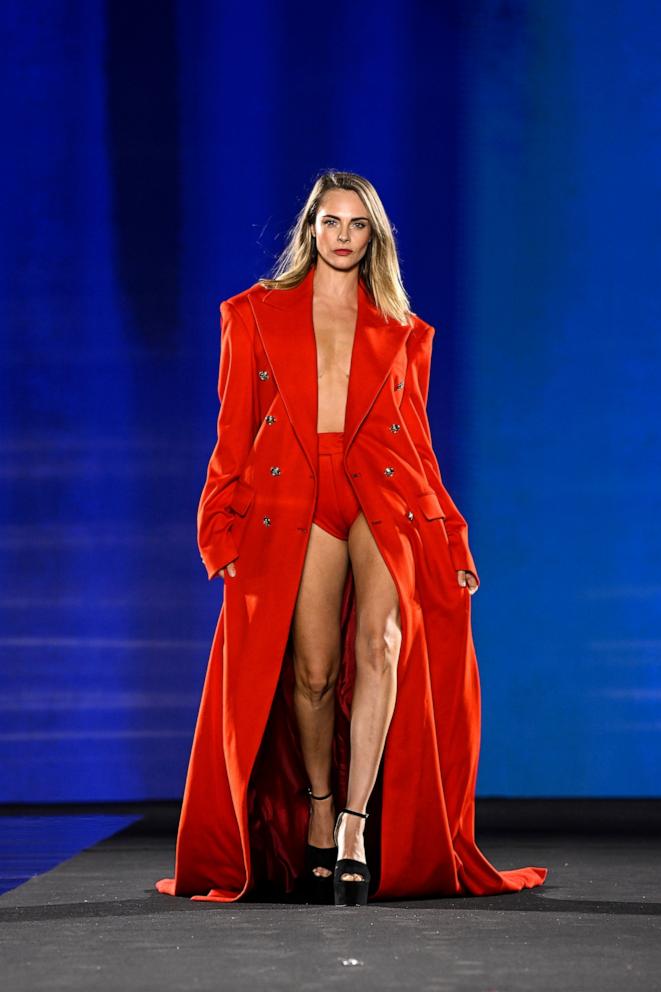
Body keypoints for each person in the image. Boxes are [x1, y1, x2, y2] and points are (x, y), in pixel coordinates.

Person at [155, 170, 548, 907]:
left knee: (384, 642)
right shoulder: (251, 315)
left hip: (382, 492)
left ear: (374, 236)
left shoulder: (403, 329)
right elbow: (231, 431)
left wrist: (452, 537)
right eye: (329, 222)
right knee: (312, 674)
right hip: (294, 493)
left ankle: (355, 828)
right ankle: (317, 808)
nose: (341, 235)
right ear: (309, 230)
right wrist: (219, 530)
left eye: (356, 224)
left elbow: (418, 445)